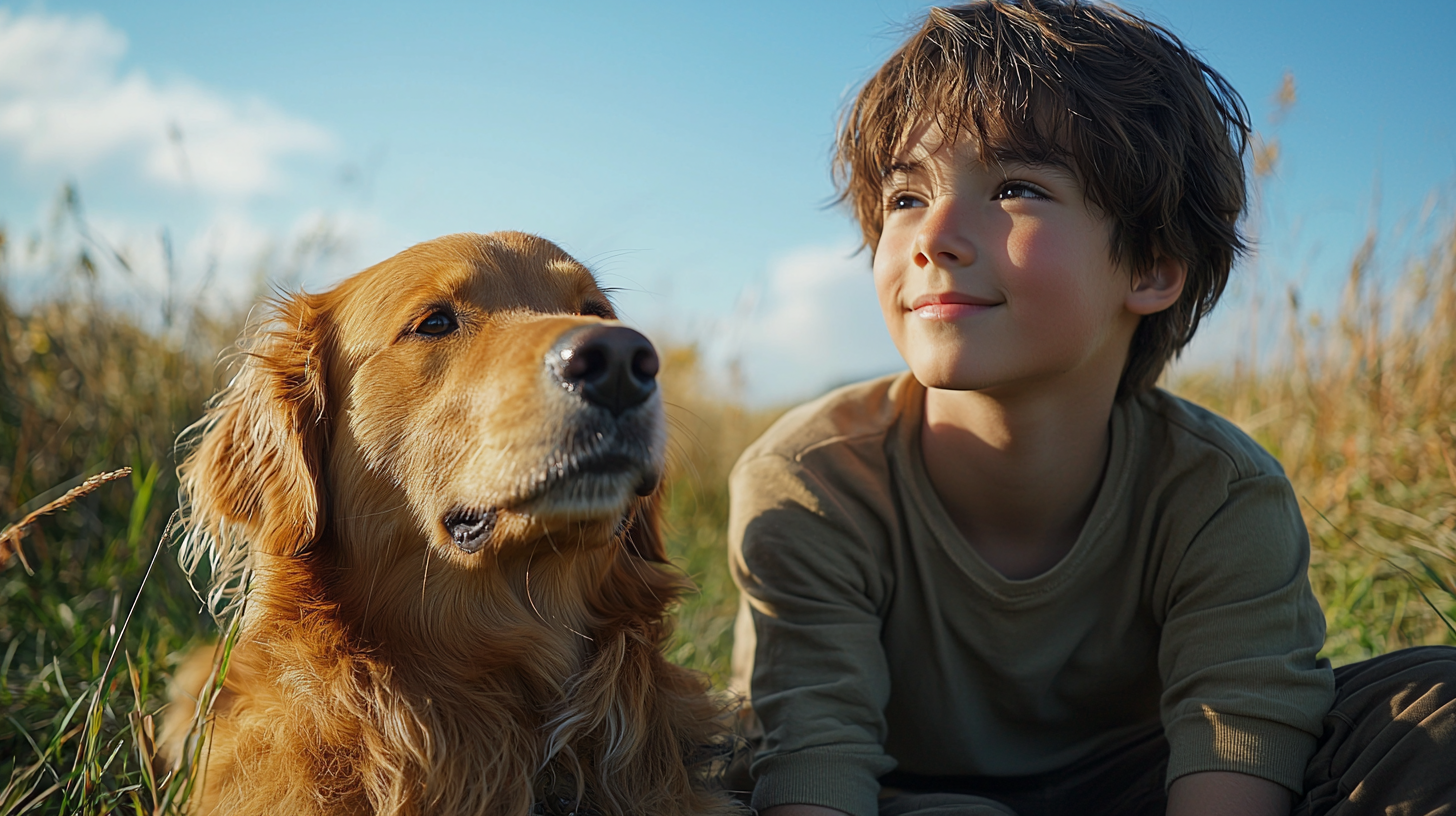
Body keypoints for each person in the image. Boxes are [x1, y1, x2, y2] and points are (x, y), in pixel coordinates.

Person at [726, 3, 1456, 815]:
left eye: (1014, 188)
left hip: (1137, 783)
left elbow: (1239, 751)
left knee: (1433, 707)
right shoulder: (812, 479)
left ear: (1151, 269)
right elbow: (813, 777)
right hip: (898, 793)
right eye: (905, 197)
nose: (933, 236)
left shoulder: (1219, 495)